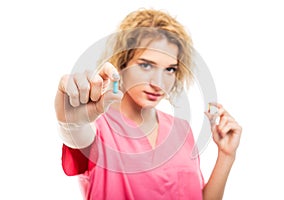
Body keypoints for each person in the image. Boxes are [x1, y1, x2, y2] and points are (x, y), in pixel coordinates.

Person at [55, 9, 242, 200]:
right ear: (121, 64)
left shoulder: (181, 131)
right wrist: (72, 122)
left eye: (170, 69)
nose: (158, 83)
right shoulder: (99, 128)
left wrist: (226, 155)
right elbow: (77, 133)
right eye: (146, 65)